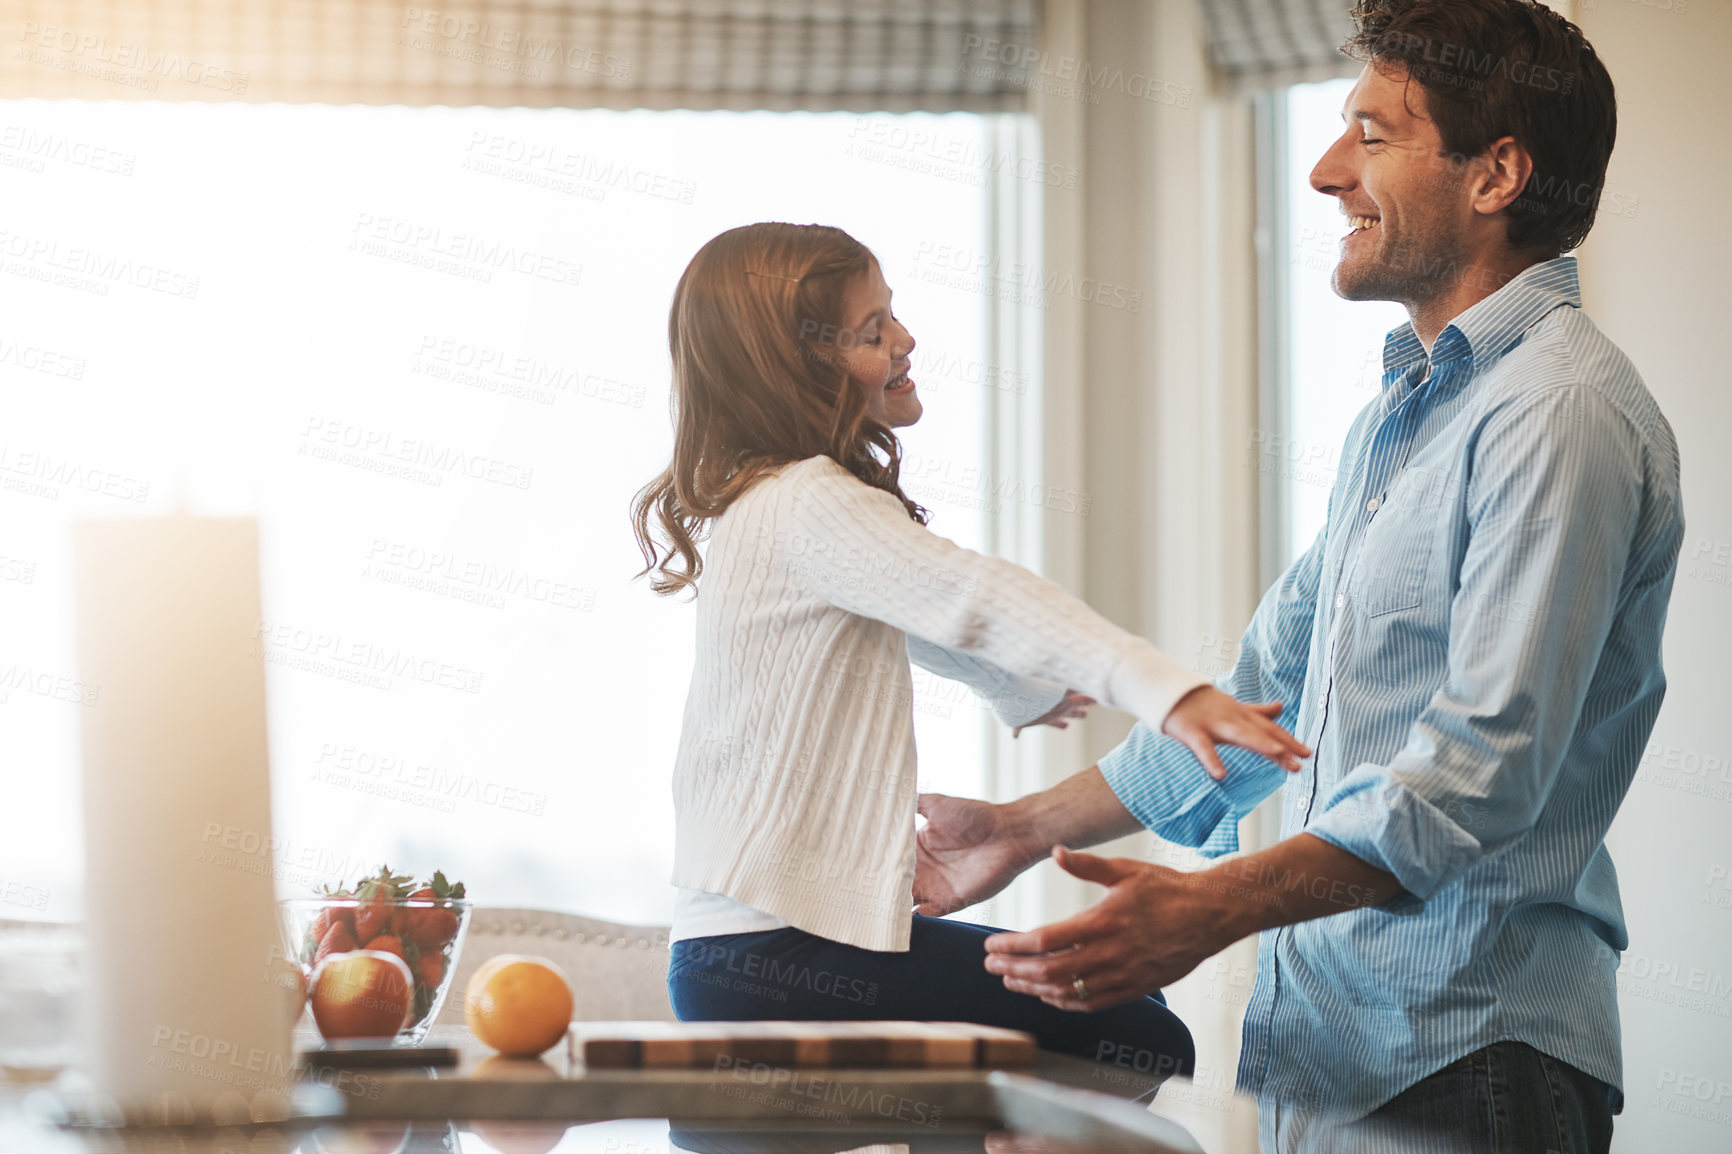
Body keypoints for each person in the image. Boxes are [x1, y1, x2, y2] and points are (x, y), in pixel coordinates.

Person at [914, 1, 1682, 1150]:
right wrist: (1024, 825)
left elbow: (1477, 774)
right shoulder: (1411, 411)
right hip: (1332, 1060)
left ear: (1496, 174)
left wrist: (1210, 908)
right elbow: (1264, 686)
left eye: (1371, 135)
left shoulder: (1556, 415)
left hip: (1469, 1058)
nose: (1326, 172)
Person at [631, 221, 1311, 1076]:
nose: (906, 340)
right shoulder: (812, 501)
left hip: (737, 960)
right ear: (798, 366)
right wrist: (1167, 693)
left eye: (894, 317)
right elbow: (970, 594)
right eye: (874, 331)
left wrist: (1015, 688)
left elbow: (905, 609)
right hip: (790, 957)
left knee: (1135, 1007)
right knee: (1145, 1039)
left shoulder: (760, 506)